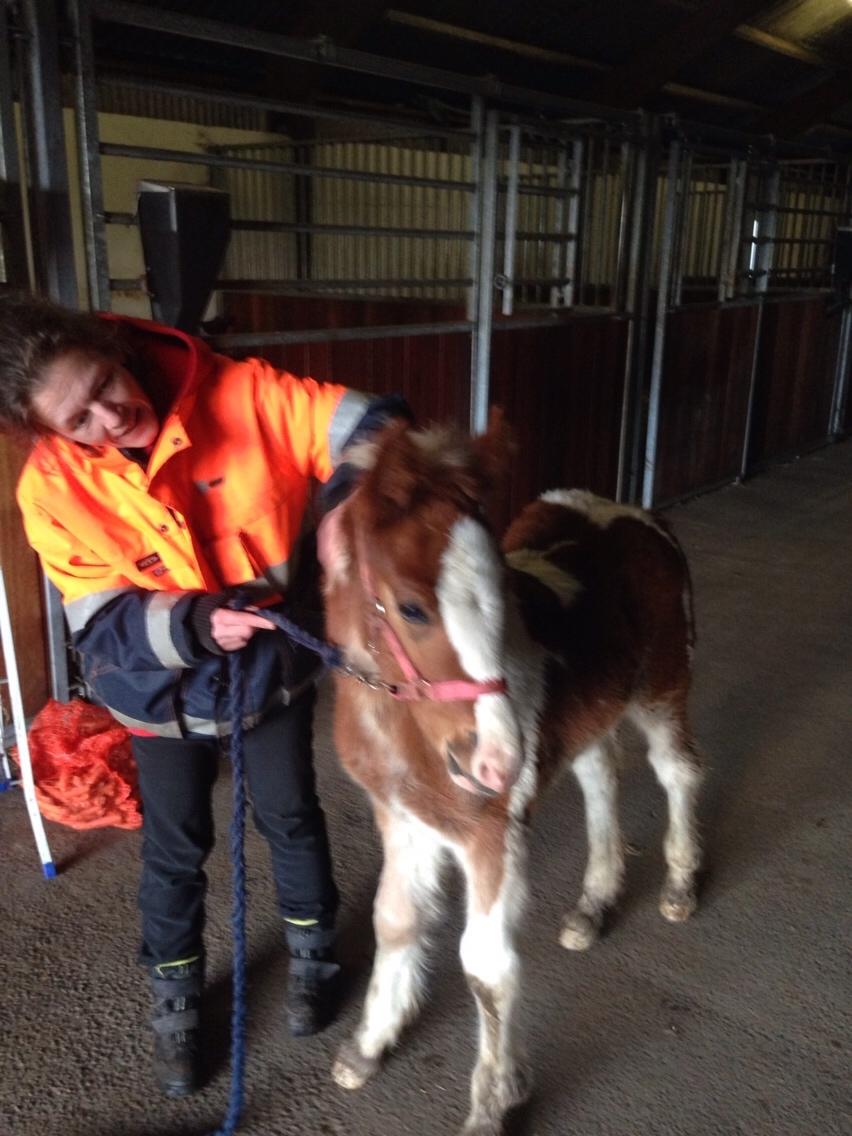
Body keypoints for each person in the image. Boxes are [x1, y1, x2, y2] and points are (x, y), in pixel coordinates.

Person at [0, 292, 409, 1098]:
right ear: (49, 434)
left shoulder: (244, 393)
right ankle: (177, 998)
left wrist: (349, 500)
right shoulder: (49, 496)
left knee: (291, 817)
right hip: (156, 697)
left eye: (105, 383)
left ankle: (315, 955)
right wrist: (193, 623)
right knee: (176, 847)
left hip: (271, 678)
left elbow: (374, 421)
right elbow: (104, 624)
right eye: (79, 421)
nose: (111, 419)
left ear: (114, 347)